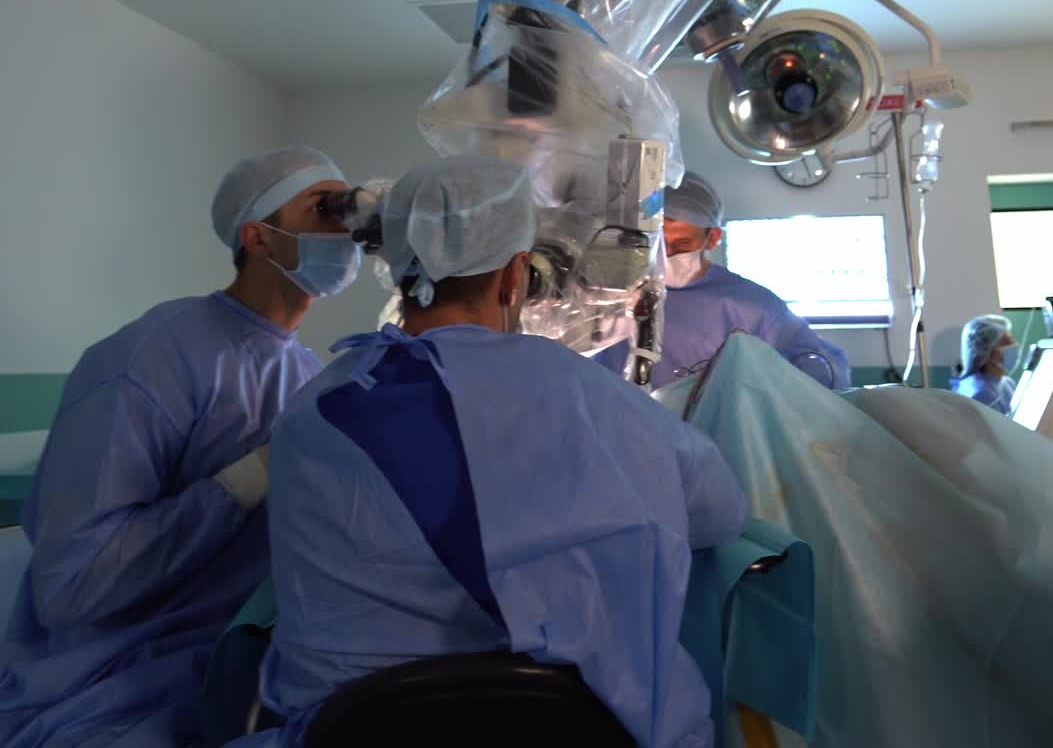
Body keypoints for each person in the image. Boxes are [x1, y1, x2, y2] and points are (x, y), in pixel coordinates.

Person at [238, 156, 748, 748]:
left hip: (362, 729)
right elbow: (722, 512)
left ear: (399, 272)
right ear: (515, 278)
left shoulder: (312, 414)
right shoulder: (587, 392)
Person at [1, 145, 360, 748]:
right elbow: (74, 584)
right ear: (258, 237)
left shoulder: (306, 373)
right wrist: (251, 478)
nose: (346, 228)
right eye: (325, 208)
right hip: (115, 677)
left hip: (234, 663)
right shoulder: (149, 358)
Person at [651, 172, 851, 391]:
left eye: (683, 243)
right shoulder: (624, 296)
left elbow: (825, 373)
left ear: (713, 238)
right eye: (659, 242)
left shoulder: (752, 306)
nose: (668, 253)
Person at [950, 314, 1019, 414]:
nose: (1014, 345)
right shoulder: (979, 395)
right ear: (986, 350)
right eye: (1006, 343)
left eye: (1012, 339)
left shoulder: (1007, 383)